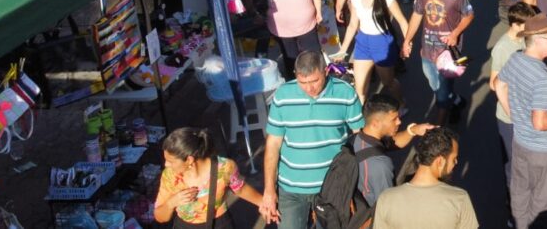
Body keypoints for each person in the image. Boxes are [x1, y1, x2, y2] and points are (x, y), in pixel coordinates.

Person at [260, 51, 364, 229]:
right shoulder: (283, 95)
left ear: (326, 71)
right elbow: (273, 144)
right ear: (295, 75)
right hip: (290, 188)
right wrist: (269, 190)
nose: (309, 88)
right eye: (302, 82)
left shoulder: (345, 93)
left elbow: (359, 137)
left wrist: (353, 185)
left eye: (314, 81)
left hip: (332, 187)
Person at [495, 14, 547, 229]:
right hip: (543, 151)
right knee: (542, 203)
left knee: (520, 193)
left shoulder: (516, 58)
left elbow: (499, 85)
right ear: (539, 40)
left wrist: (516, 117)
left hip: (520, 143)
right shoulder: (542, 78)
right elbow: (540, 123)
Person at [402, 0, 473, 125]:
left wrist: (455, 33)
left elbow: (469, 15)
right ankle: (457, 101)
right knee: (435, 85)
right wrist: (407, 41)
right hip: (427, 51)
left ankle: (438, 129)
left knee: (441, 96)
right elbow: (417, 15)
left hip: (447, 55)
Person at [155, 127, 263, 228]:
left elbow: (240, 189)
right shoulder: (169, 176)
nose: (166, 165)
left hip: (219, 224)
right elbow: (160, 217)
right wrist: (171, 203)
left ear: (189, 160)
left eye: (171, 161)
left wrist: (265, 204)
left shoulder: (224, 168)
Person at [371, 127, 477, 229]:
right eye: (454, 159)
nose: (456, 163)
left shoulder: (386, 199)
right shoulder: (459, 199)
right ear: (440, 161)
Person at [334, 0, 410, 105]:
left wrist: (407, 44)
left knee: (388, 82)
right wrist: (343, 50)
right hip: (362, 42)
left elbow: (403, 22)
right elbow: (352, 25)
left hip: (382, 43)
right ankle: (361, 115)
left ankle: (401, 103)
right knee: (359, 87)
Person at [356, 94, 434, 209]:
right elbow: (388, 207)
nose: (399, 122)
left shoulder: (359, 139)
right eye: (394, 119)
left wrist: (413, 130)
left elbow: (392, 143)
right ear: (375, 123)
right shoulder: (381, 166)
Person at [490, 2, 537, 184]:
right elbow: (493, 84)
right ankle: (513, 197)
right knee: (513, 161)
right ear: (515, 24)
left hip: (526, 110)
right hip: (509, 117)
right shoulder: (502, 48)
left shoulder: (524, 39)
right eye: (527, 24)